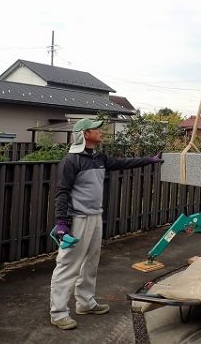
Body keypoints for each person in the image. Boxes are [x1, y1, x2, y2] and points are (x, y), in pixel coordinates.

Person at [49, 118, 162, 330]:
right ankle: (58, 312)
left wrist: (149, 160)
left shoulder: (99, 157)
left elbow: (122, 163)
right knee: (68, 266)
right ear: (85, 134)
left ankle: (85, 303)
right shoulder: (71, 161)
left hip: (95, 217)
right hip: (77, 219)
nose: (102, 132)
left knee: (91, 262)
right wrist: (61, 223)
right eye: (97, 129)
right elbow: (62, 193)